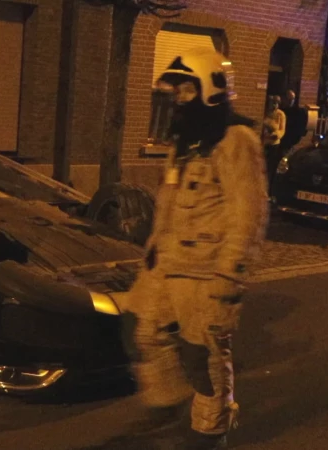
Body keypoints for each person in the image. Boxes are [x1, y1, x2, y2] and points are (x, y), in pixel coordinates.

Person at [120, 47, 269, 450]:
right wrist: (151, 248)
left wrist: (229, 279)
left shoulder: (236, 140)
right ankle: (167, 402)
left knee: (203, 362)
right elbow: (169, 204)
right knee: (141, 334)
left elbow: (248, 215)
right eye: (177, 91)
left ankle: (209, 432)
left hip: (206, 274)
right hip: (166, 266)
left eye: (188, 89)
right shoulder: (184, 144)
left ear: (211, 89)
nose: (180, 99)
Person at [262, 95, 286, 185]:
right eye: (273, 103)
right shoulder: (265, 113)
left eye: (276, 104)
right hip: (264, 143)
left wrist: (276, 135)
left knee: (271, 167)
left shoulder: (280, 115)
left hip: (274, 144)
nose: (274, 105)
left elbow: (282, 130)